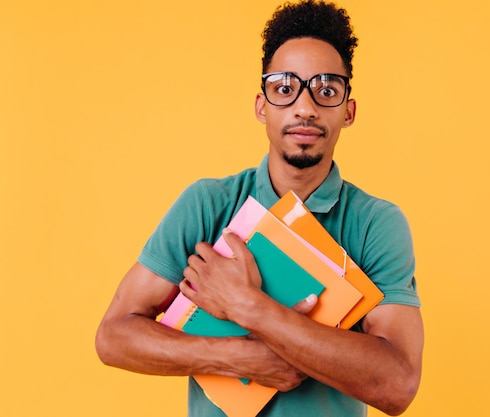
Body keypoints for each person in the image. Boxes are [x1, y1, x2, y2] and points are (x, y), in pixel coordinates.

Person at [95, 1, 424, 416]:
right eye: (285, 88)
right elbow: (113, 337)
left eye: (326, 90)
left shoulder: (376, 223)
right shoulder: (208, 204)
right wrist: (241, 359)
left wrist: (251, 308)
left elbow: (398, 385)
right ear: (261, 105)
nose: (305, 107)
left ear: (348, 110)